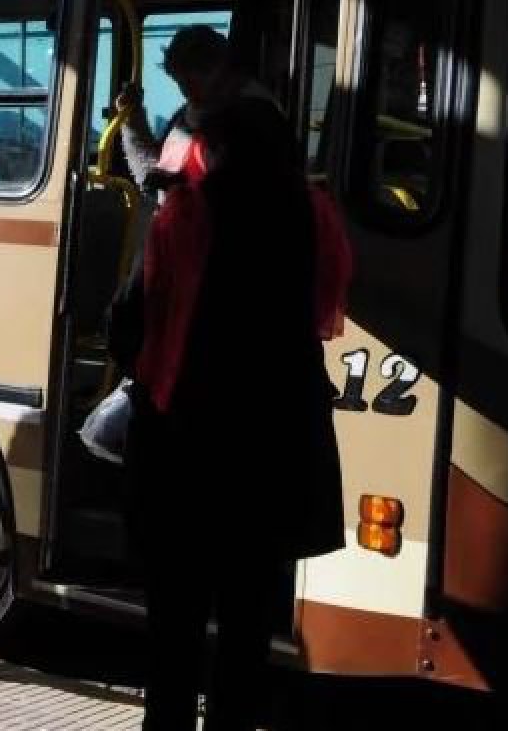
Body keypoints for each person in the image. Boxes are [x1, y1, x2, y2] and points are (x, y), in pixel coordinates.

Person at [108, 97, 352, 731]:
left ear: (213, 152)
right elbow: (324, 312)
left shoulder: (184, 218)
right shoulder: (314, 217)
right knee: (246, 631)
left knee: (175, 630)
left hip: (185, 446)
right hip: (275, 451)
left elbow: (126, 327)